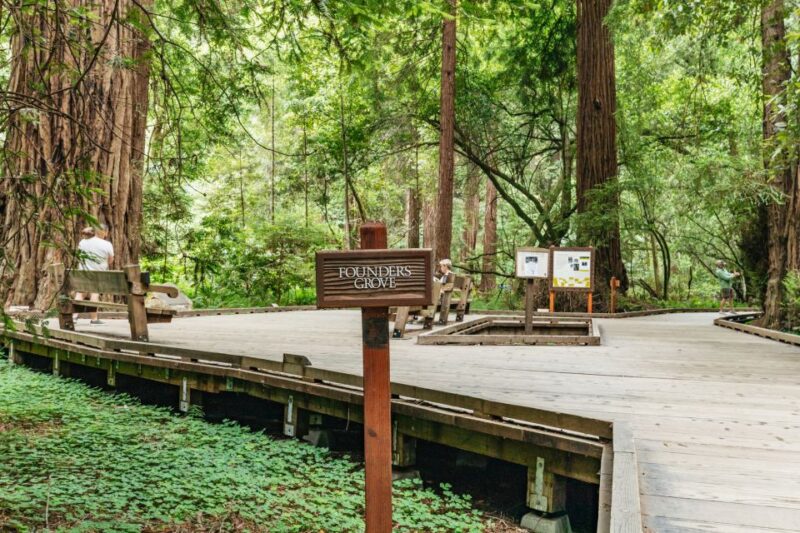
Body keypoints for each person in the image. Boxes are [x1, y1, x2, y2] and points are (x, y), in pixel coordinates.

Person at [75, 224, 114, 324]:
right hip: (98, 274)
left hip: (83, 273)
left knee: (80, 293)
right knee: (94, 293)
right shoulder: (107, 244)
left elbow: (78, 256)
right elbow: (110, 260)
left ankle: (74, 317)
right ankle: (94, 319)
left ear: (95, 232)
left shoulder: (83, 242)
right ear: (105, 232)